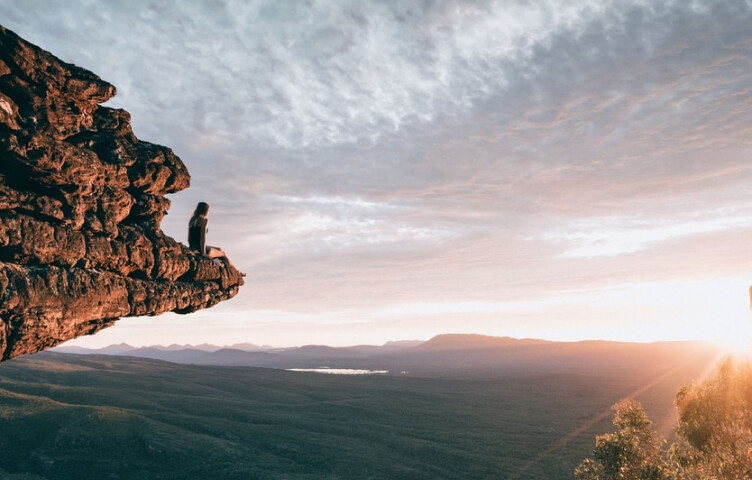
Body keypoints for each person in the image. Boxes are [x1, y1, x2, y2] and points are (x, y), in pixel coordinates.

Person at [188, 201, 244, 275]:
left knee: (219, 249)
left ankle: (231, 270)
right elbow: (202, 238)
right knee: (223, 254)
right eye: (208, 210)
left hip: (193, 247)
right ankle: (236, 272)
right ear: (205, 210)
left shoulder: (192, 220)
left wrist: (192, 248)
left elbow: (189, 238)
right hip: (201, 249)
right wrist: (203, 253)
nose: (209, 212)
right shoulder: (204, 220)